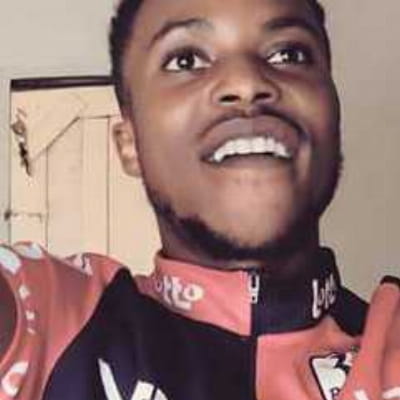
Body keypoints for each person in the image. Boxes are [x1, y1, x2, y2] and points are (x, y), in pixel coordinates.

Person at [0, 0, 399, 399]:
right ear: (130, 144)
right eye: (185, 60)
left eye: (289, 54)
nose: (245, 83)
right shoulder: (55, 328)